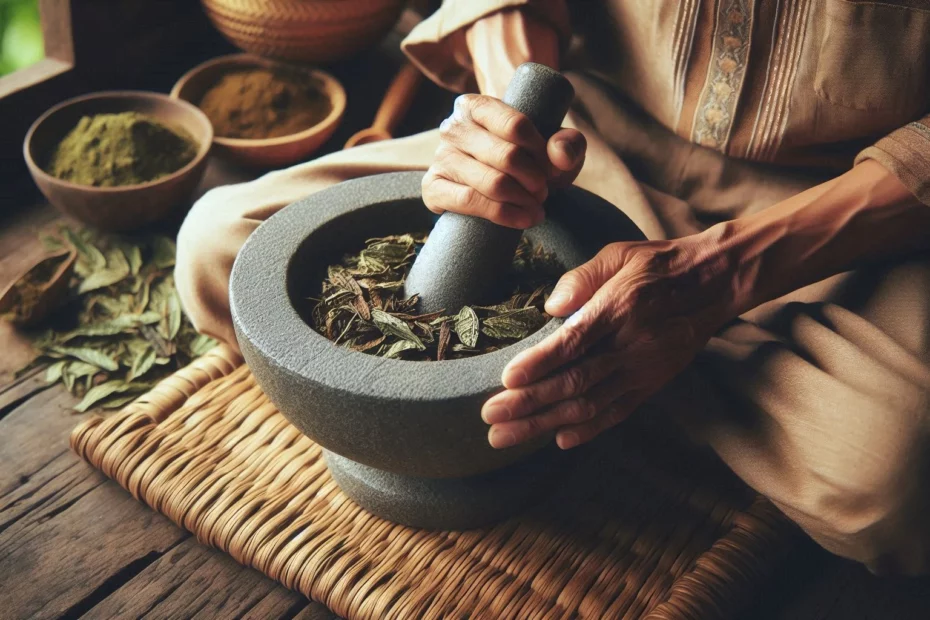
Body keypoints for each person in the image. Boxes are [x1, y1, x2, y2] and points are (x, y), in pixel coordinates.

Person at [176, 1, 930, 574]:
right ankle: (645, 385)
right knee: (215, 244)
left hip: (842, 206)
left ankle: (611, 375)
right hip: (584, 134)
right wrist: (508, 114)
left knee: (893, 487)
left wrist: (715, 277)